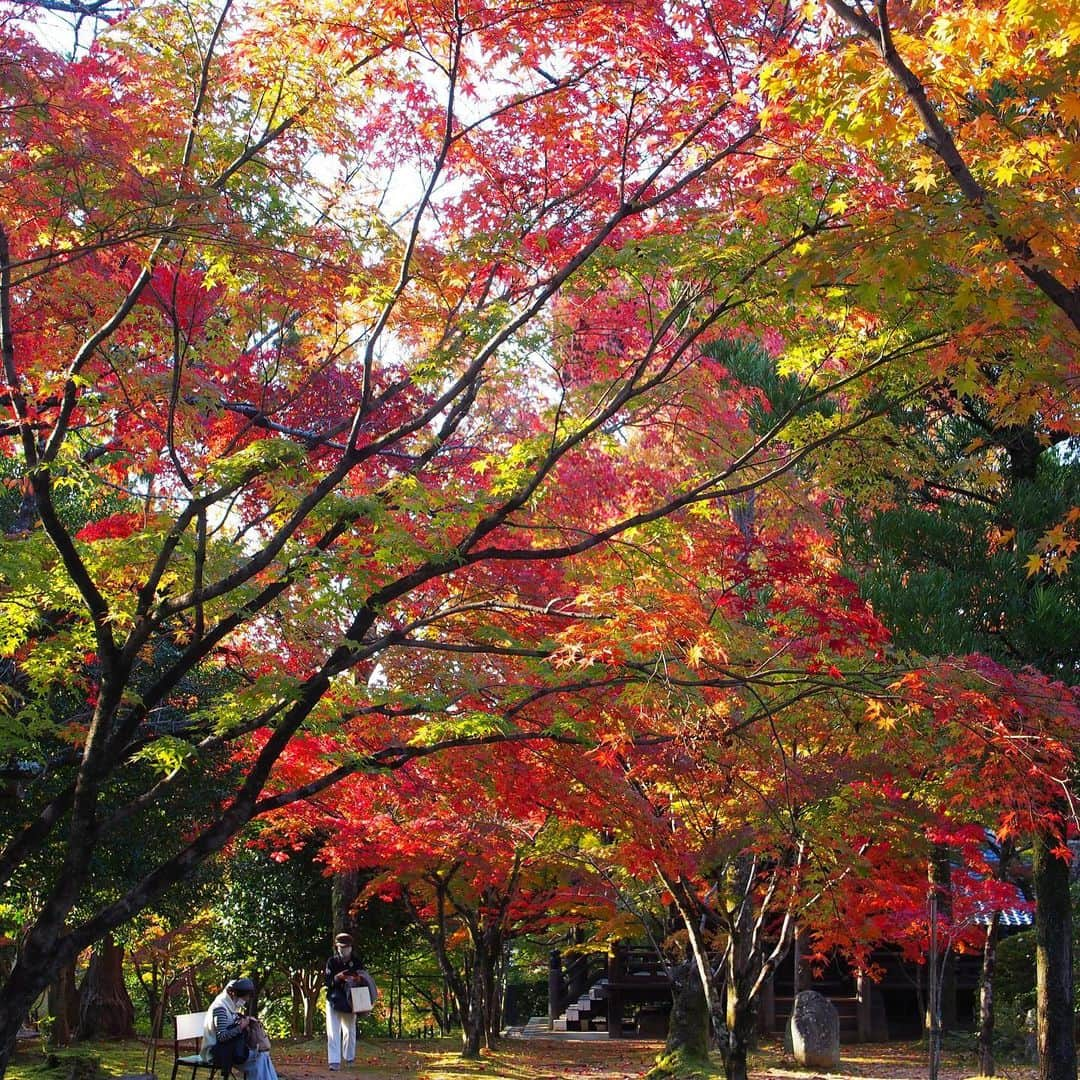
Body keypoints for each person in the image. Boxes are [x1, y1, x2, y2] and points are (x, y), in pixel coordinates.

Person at [202, 978, 278, 1080]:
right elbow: (222, 1036)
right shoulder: (220, 1008)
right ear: (233, 994)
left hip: (229, 1049)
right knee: (258, 1058)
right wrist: (241, 1027)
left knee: (263, 1054)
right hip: (216, 1052)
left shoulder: (229, 1006)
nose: (244, 1001)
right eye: (244, 997)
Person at [324, 932, 377, 1070]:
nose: (344, 950)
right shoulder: (332, 962)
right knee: (333, 1031)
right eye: (341, 947)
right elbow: (328, 982)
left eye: (347, 947)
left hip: (351, 999)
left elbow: (363, 979)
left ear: (351, 947)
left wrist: (357, 979)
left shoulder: (357, 961)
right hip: (334, 999)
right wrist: (338, 978)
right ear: (337, 947)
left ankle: (349, 1058)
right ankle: (334, 1061)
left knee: (349, 1030)